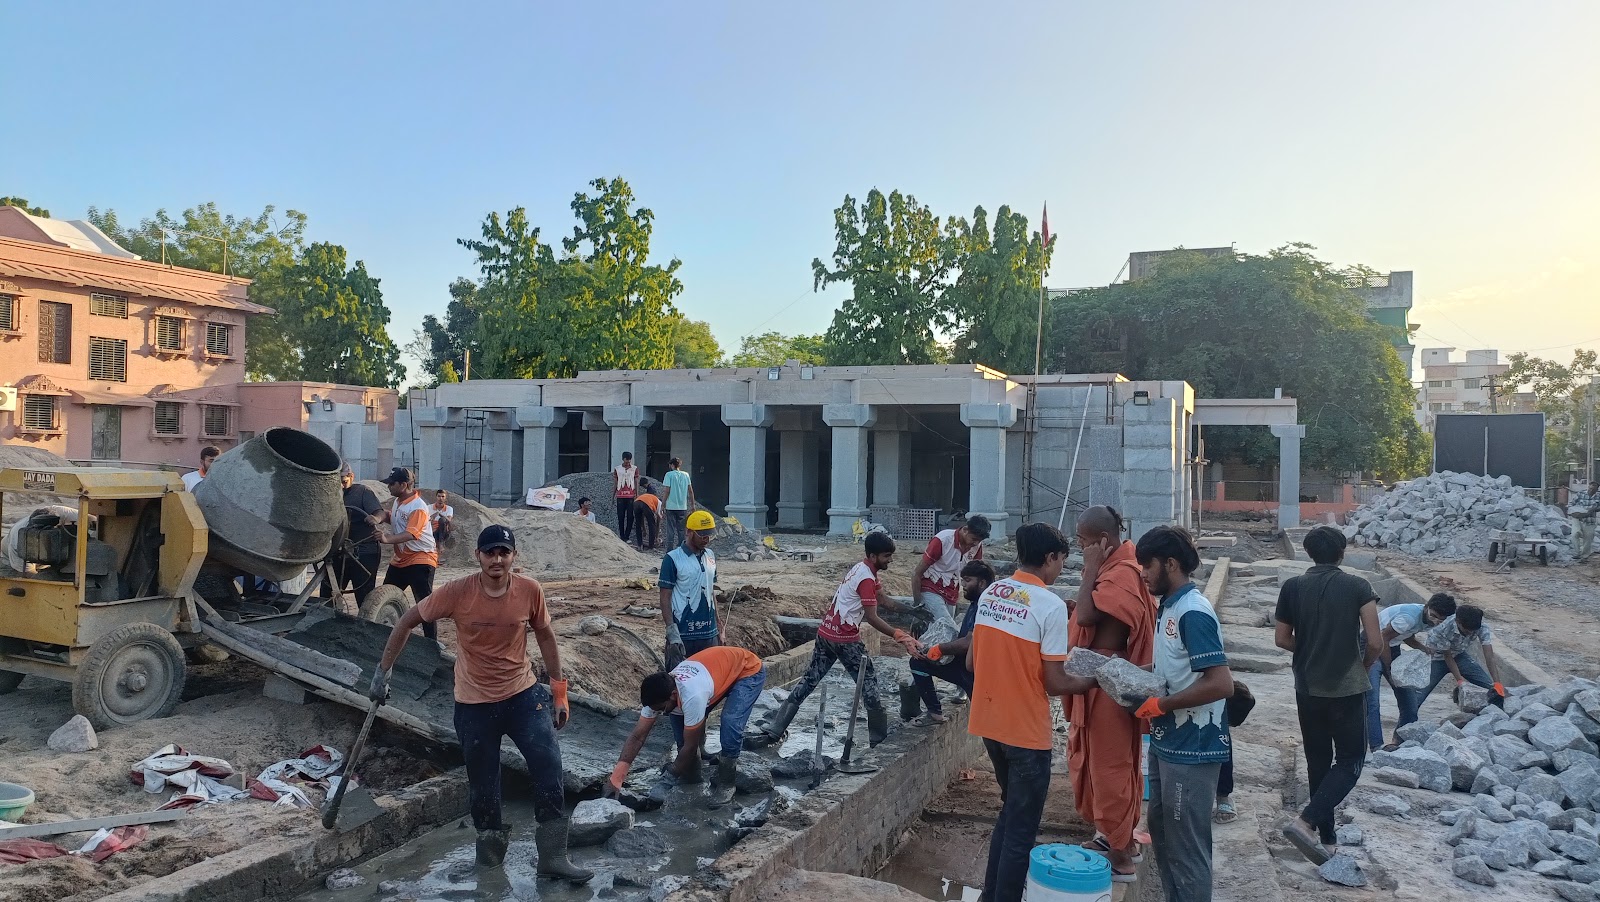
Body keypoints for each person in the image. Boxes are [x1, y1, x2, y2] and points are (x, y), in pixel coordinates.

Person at [369, 524, 591, 882]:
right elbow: (407, 621)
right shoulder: (457, 592)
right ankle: (489, 862)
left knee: (549, 767)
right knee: (484, 785)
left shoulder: (530, 590)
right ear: (478, 556)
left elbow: (547, 635)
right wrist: (383, 673)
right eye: (490, 552)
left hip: (523, 696)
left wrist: (559, 690)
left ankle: (553, 856)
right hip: (474, 705)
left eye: (504, 552)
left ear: (513, 556)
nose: (497, 559)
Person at [965, 522, 1075, 902]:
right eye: (1062, 560)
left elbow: (972, 663)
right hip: (1026, 733)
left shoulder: (993, 592)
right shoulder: (1051, 605)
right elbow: (1057, 682)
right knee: (1021, 831)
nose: (1061, 567)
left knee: (1008, 816)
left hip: (990, 724)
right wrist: (1098, 679)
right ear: (1050, 558)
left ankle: (990, 895)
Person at [1132, 526, 1234, 902]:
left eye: (1147, 566)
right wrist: (1128, 672)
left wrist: (1162, 704)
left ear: (1170, 564)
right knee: (1164, 833)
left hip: (1193, 747)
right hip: (1167, 741)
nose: (1142, 574)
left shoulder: (1192, 612)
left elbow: (1220, 682)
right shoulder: (1170, 606)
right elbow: (1175, 669)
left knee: (1186, 847)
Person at [1273, 526, 1382, 864]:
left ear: (1308, 553)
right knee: (1350, 762)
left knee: (1318, 762)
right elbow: (1376, 642)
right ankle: (1306, 822)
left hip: (1307, 687)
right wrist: (1360, 667)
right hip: (1347, 689)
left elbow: (1281, 638)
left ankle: (1328, 838)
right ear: (1341, 553)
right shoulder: (1357, 586)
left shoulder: (1292, 587)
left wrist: (1307, 650)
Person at [748, 531, 917, 749]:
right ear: (874, 556)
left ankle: (775, 729)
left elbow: (882, 599)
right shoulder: (866, 578)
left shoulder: (863, 568)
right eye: (886, 556)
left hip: (826, 634)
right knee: (869, 685)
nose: (890, 560)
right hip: (845, 639)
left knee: (809, 680)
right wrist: (899, 635)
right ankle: (878, 741)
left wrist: (911, 610)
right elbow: (872, 617)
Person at [1065, 506, 1157, 883]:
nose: (1081, 548)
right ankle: (1116, 839)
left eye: (1084, 542)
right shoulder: (1120, 570)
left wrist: (1088, 571)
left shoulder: (1120, 572)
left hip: (1110, 682)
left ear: (1103, 541)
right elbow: (1090, 615)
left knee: (1110, 766)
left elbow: (1088, 618)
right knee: (1108, 760)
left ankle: (1120, 857)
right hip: (1100, 677)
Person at [605, 646, 767, 809]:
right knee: (682, 737)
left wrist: (666, 781)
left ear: (673, 695)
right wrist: (617, 778)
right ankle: (693, 778)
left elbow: (690, 748)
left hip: (747, 669)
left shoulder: (692, 696)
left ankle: (727, 784)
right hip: (715, 673)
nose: (660, 713)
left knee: (730, 722)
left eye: (661, 709)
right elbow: (637, 736)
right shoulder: (657, 695)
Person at [906, 560, 995, 724]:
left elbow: (969, 642)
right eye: (963, 580)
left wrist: (939, 649)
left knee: (988, 724)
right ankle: (935, 713)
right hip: (967, 668)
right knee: (918, 662)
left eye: (968, 580)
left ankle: (936, 712)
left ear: (982, 583)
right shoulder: (978, 603)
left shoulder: (985, 605)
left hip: (974, 672)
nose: (964, 585)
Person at [1369, 593, 1457, 751]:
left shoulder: (1427, 619)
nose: (1436, 621)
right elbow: (1384, 638)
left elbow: (1405, 635)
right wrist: (1390, 669)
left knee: (1409, 701)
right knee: (1372, 701)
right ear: (1426, 607)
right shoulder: (1409, 617)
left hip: (1391, 645)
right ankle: (1376, 746)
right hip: (1372, 646)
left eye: (1441, 620)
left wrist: (1422, 648)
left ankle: (1401, 743)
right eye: (1434, 616)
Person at [1399, 604, 1505, 726]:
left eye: (1473, 631)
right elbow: (1447, 657)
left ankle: (1493, 722)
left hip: (1459, 655)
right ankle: (1399, 737)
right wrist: (1460, 681)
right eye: (1467, 631)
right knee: (1416, 699)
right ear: (1458, 622)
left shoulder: (1479, 625)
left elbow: (1489, 655)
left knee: (1492, 690)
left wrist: (1497, 683)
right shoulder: (1443, 628)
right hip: (1436, 658)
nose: (1470, 634)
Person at [376, 467, 439, 641]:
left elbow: (412, 533)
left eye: (391, 484)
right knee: (385, 596)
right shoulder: (399, 502)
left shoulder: (418, 506)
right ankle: (383, 635)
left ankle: (430, 643)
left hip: (421, 559)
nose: (388, 487)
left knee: (424, 605)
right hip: (401, 560)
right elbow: (393, 517)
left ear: (403, 485)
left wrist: (387, 539)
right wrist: (379, 517)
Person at [660, 510, 720, 670]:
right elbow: (665, 597)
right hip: (683, 634)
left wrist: (719, 626)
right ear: (688, 532)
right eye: (702, 535)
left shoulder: (711, 556)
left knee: (709, 681)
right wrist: (671, 631)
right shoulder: (672, 559)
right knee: (679, 682)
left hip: (709, 634)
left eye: (709, 535)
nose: (706, 539)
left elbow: (711, 591)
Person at [911, 516, 990, 623]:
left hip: (952, 590)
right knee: (948, 627)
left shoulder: (977, 545)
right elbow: (916, 573)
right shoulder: (942, 540)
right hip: (931, 586)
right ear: (965, 530)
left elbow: (976, 573)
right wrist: (917, 607)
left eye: (979, 540)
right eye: (974, 539)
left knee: (940, 630)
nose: (975, 543)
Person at [331, 463, 384, 611]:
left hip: (364, 554)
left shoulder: (363, 492)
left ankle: (366, 625)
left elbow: (380, 513)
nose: (340, 485)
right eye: (337, 482)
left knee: (364, 597)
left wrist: (375, 519)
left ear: (351, 476)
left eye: (343, 481)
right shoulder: (332, 496)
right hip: (339, 554)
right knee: (329, 595)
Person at [662, 457, 696, 549]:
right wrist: (692, 505)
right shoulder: (686, 475)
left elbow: (667, 491)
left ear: (672, 465)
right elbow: (690, 491)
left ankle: (669, 551)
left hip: (671, 506)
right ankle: (682, 549)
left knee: (670, 529)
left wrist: (663, 504)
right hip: (682, 507)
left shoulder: (669, 475)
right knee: (681, 530)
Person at [613, 451, 640, 544]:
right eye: (626, 460)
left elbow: (636, 481)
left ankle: (627, 535)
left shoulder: (634, 469)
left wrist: (637, 494)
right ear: (623, 459)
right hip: (620, 495)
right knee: (620, 516)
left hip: (630, 496)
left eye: (629, 461)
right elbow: (615, 483)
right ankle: (622, 536)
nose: (628, 463)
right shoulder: (617, 469)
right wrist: (613, 495)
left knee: (630, 516)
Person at [634, 479, 662, 551]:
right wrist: (657, 536)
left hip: (636, 502)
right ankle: (651, 546)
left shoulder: (651, 498)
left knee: (638, 524)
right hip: (646, 503)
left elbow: (642, 518)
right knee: (651, 524)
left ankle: (640, 545)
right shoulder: (660, 504)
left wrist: (643, 529)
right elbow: (657, 522)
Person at [1571, 483, 1597, 561]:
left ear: (1596, 490)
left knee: (1588, 538)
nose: (1591, 490)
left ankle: (1584, 556)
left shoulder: (1598, 497)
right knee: (1574, 534)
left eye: (1593, 489)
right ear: (1588, 487)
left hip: (1590, 520)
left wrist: (1592, 509)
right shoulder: (1581, 494)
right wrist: (1572, 511)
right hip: (1577, 518)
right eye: (1590, 488)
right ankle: (1576, 553)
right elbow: (1571, 503)